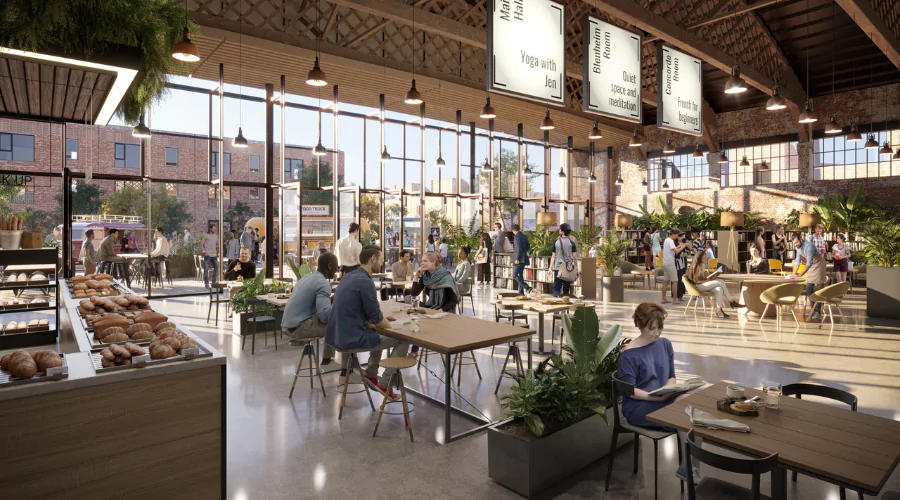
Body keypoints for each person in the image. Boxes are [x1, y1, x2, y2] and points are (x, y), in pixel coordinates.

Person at [616, 303, 700, 482]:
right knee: (686, 418)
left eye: (659, 328)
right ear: (639, 325)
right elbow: (630, 392)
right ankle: (688, 469)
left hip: (663, 399)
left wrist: (669, 390)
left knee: (693, 409)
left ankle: (690, 468)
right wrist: (653, 397)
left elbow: (671, 376)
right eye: (651, 328)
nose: (656, 333)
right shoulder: (628, 355)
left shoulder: (665, 344)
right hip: (638, 406)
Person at [326, 246, 409, 398]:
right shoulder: (366, 282)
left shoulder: (348, 276)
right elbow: (377, 318)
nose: (383, 263)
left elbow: (362, 312)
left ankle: (371, 374)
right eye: (381, 259)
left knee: (377, 330)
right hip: (350, 339)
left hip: (336, 336)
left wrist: (377, 322)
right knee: (402, 339)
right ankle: (385, 383)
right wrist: (394, 325)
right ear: (373, 259)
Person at [283, 251, 338, 364]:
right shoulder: (323, 283)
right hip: (298, 328)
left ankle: (328, 359)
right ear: (330, 266)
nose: (337, 271)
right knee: (338, 322)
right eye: (336, 267)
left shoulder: (307, 277)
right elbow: (325, 316)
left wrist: (332, 300)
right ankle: (329, 361)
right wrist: (340, 302)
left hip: (287, 325)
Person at [691, 251, 742, 317]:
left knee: (719, 289)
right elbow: (696, 281)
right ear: (699, 258)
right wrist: (707, 281)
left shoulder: (701, 266)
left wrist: (712, 277)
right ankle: (731, 301)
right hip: (698, 287)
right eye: (704, 258)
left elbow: (702, 278)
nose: (706, 259)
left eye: (706, 257)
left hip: (702, 284)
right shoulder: (696, 266)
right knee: (720, 281)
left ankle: (719, 311)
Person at [790, 232, 827, 320]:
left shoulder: (809, 246)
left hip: (818, 265)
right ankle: (814, 309)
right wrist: (793, 274)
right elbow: (797, 262)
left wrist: (799, 275)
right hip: (811, 266)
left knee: (819, 289)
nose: (795, 245)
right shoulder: (798, 248)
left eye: (796, 242)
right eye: (794, 243)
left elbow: (809, 263)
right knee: (809, 288)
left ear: (801, 240)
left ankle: (818, 311)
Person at [661, 229, 690, 304]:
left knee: (666, 282)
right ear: (674, 234)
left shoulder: (666, 240)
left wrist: (680, 246)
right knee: (675, 281)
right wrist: (683, 247)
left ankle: (663, 298)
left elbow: (673, 250)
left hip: (665, 263)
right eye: (677, 235)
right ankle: (675, 300)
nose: (677, 236)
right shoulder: (670, 241)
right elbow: (676, 252)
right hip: (670, 263)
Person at [549, 223, 578, 297]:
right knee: (566, 289)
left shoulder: (556, 242)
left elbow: (553, 256)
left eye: (560, 229)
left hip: (558, 268)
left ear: (562, 231)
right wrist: (576, 268)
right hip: (568, 268)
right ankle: (565, 305)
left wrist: (550, 267)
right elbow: (574, 258)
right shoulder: (572, 243)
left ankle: (555, 303)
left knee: (556, 288)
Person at [512, 224, 532, 295]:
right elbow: (528, 247)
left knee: (514, 275)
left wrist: (517, 258)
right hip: (524, 258)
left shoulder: (517, 237)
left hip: (519, 258)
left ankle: (527, 287)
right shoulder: (524, 236)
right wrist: (524, 251)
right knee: (520, 275)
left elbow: (519, 249)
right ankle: (521, 293)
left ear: (513, 230)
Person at [674, 232, 689, 300]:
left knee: (682, 278)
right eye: (681, 237)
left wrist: (685, 254)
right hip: (678, 264)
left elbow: (686, 250)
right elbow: (675, 254)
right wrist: (681, 255)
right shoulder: (675, 244)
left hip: (683, 263)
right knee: (679, 278)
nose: (682, 238)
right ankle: (678, 295)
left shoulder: (682, 243)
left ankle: (681, 294)